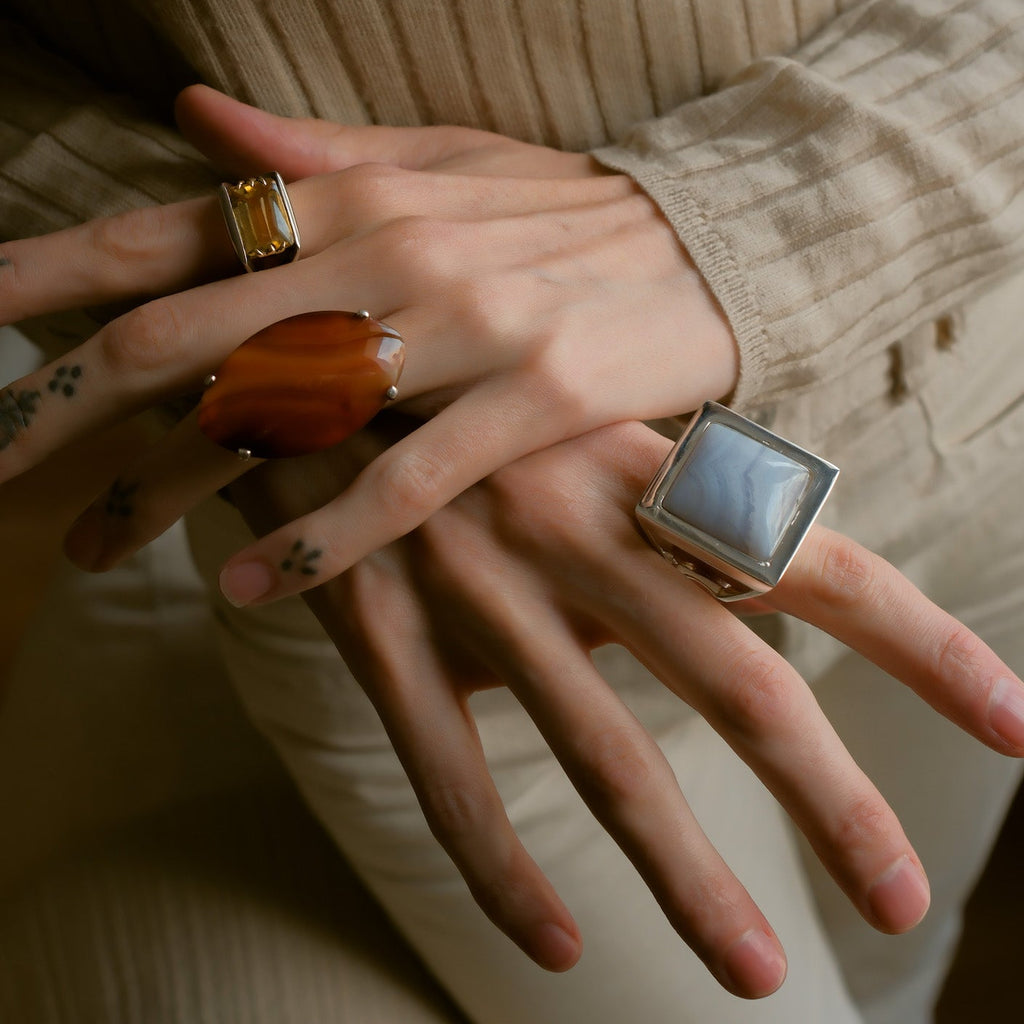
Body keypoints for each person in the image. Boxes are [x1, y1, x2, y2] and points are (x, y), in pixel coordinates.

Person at [0, 1, 1022, 1021]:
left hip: (988, 360)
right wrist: (294, 342)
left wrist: (735, 218)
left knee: (897, 972)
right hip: (472, 609)